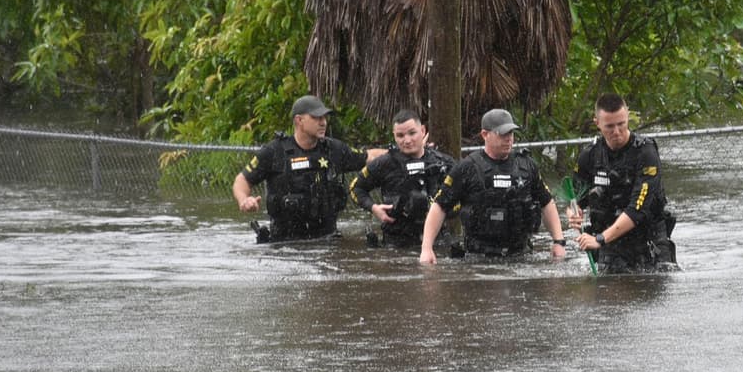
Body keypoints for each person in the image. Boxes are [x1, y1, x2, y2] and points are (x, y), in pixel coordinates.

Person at [419, 108, 567, 264]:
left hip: (521, 256)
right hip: (478, 259)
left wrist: (559, 242)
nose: (508, 139)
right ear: (485, 134)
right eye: (502, 134)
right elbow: (439, 206)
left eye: (511, 134)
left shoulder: (526, 166)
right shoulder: (467, 168)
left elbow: (547, 202)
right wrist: (427, 248)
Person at [232, 95, 383, 242]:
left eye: (324, 118)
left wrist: (399, 152)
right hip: (285, 243)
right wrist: (244, 200)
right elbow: (242, 180)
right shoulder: (274, 151)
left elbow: (369, 157)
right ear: (299, 120)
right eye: (317, 118)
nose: (323, 122)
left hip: (327, 239)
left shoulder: (334, 149)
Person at [569, 93, 677, 273]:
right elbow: (575, 197)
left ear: (627, 116)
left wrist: (600, 239)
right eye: (609, 127)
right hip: (610, 244)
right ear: (597, 124)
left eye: (621, 124)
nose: (617, 132)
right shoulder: (590, 155)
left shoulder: (646, 152)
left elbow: (637, 208)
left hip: (648, 242)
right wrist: (574, 213)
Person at [349, 109, 456, 249]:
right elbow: (356, 188)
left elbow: (464, 196)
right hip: (396, 241)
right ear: (394, 136)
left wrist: (439, 210)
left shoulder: (444, 163)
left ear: (423, 131)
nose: (407, 140)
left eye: (412, 133)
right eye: (400, 135)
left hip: (437, 241)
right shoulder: (384, 163)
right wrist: (374, 208)